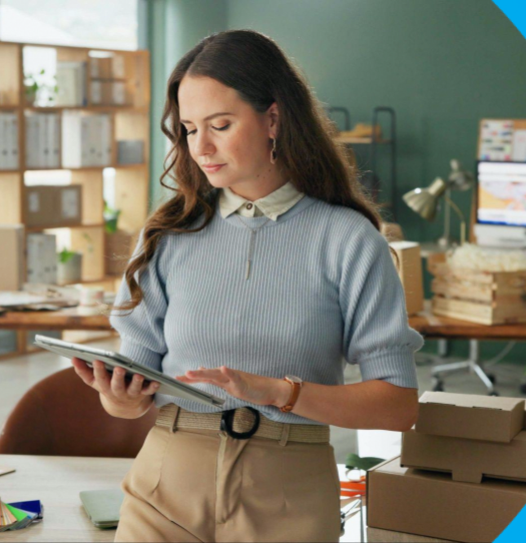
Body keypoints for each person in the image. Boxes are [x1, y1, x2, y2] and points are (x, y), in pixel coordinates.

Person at [71, 29, 424, 543]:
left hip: (289, 493)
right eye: (189, 129)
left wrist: (278, 392)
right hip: (165, 485)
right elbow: (132, 390)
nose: (201, 147)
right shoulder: (167, 233)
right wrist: (119, 398)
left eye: (220, 125)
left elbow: (397, 407)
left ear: (273, 119)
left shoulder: (348, 239)